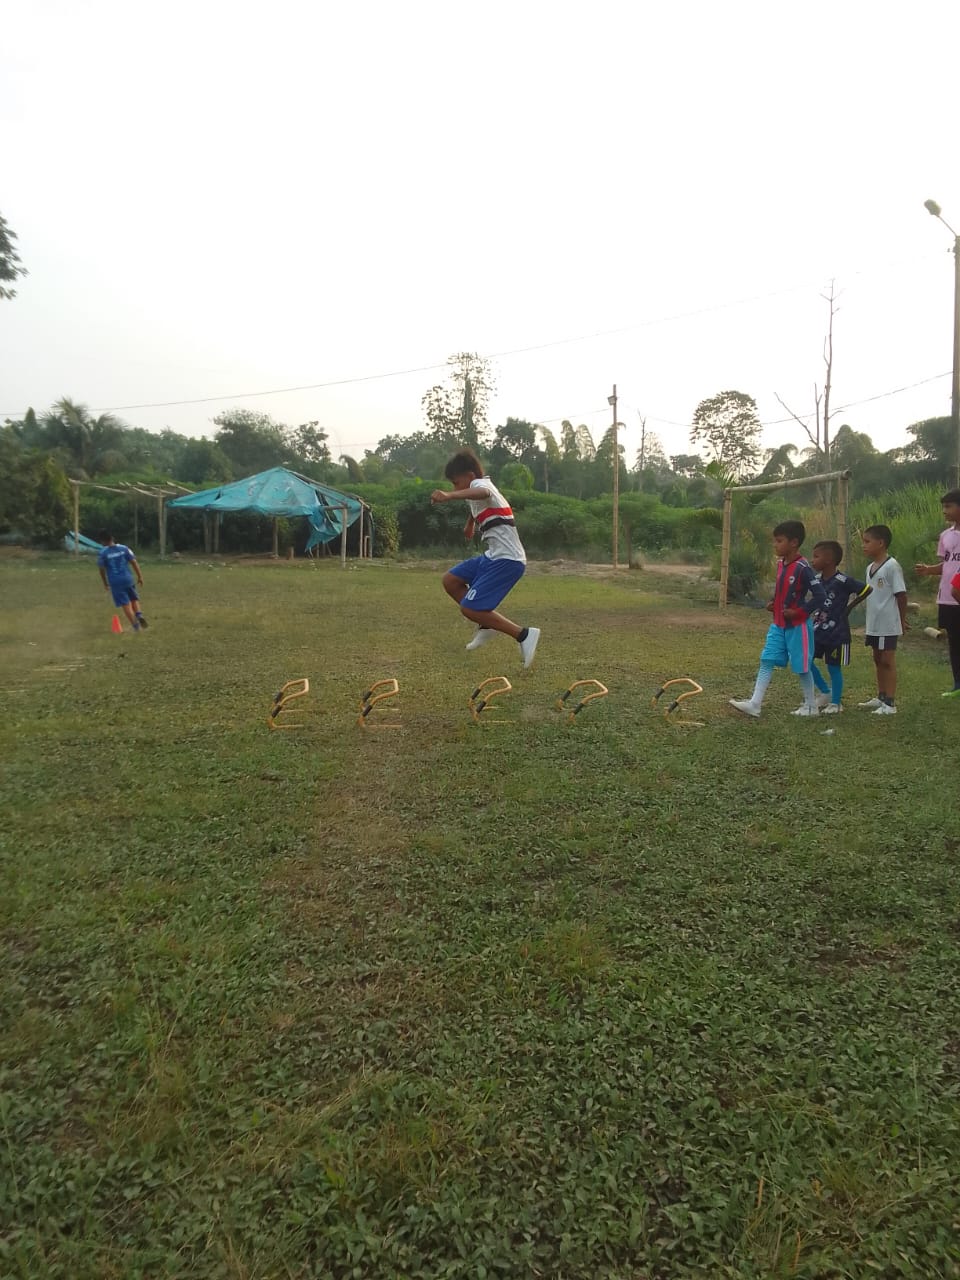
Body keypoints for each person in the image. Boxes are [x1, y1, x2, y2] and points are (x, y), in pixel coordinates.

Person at [431, 448, 540, 668]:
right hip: (492, 557)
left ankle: (523, 634)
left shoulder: (481, 485)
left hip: (508, 560)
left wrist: (449, 496)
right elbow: (477, 502)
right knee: (450, 581)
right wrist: (470, 524)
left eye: (456, 483)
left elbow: (482, 493)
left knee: (470, 608)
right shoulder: (477, 488)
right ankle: (486, 624)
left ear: (470, 476)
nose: (455, 488)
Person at [729, 520, 826, 718]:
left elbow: (820, 596)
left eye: (779, 541)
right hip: (778, 624)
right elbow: (783, 590)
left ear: (794, 543)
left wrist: (800, 612)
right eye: (774, 540)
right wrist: (773, 603)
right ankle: (755, 704)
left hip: (797, 626)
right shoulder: (781, 564)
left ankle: (811, 706)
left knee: (802, 666)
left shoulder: (803, 568)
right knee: (767, 659)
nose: (775, 545)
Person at [807, 540, 868, 715]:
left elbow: (866, 589)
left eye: (816, 556)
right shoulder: (816, 580)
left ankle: (836, 703)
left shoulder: (843, 580)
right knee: (806, 661)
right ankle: (825, 692)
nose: (812, 560)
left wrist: (849, 607)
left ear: (829, 560)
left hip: (837, 633)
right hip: (818, 630)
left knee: (833, 667)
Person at [914, 488, 960, 698]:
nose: (944, 511)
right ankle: (957, 684)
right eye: (943, 507)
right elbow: (947, 564)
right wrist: (929, 570)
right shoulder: (946, 536)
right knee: (954, 640)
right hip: (948, 598)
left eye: (948, 506)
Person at [857, 524, 908, 715]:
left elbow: (901, 595)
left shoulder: (892, 566)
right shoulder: (869, 568)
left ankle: (890, 703)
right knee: (877, 658)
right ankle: (881, 696)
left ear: (880, 543)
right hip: (874, 622)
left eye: (867, 541)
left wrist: (902, 620)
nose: (863, 545)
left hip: (888, 623)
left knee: (887, 659)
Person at [97, 533, 148, 632]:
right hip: (128, 579)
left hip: (116, 582)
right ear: (112, 538)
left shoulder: (103, 553)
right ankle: (139, 615)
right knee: (133, 599)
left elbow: (101, 569)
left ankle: (136, 627)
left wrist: (105, 583)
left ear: (103, 541)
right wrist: (140, 576)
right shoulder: (124, 548)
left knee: (126, 605)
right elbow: (134, 562)